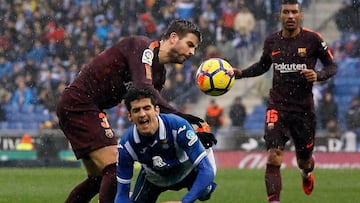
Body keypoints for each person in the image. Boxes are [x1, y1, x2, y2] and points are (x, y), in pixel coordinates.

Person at [56, 19, 216, 203]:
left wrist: (191, 130)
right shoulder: (142, 47)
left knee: (98, 179)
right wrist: (187, 119)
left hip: (85, 106)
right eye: (189, 45)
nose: (191, 52)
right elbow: (144, 89)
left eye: (194, 48)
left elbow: (154, 110)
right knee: (113, 169)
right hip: (79, 103)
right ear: (173, 37)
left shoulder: (159, 74)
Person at [233, 0, 338, 202]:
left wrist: (318, 75)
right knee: (274, 155)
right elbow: (263, 65)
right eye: (286, 12)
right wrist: (242, 74)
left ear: (300, 16)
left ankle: (306, 174)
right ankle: (274, 200)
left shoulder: (313, 40)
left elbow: (332, 66)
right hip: (277, 106)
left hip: (303, 109)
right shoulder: (272, 41)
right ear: (279, 16)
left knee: (304, 161)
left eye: (294, 12)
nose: (290, 16)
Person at [115, 87, 217, 203]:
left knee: (205, 192)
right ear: (129, 116)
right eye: (136, 110)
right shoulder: (126, 146)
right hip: (154, 178)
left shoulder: (178, 127)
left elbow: (207, 170)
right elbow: (121, 195)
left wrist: (183, 202)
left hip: (186, 172)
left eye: (147, 108)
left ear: (156, 110)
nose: (142, 114)